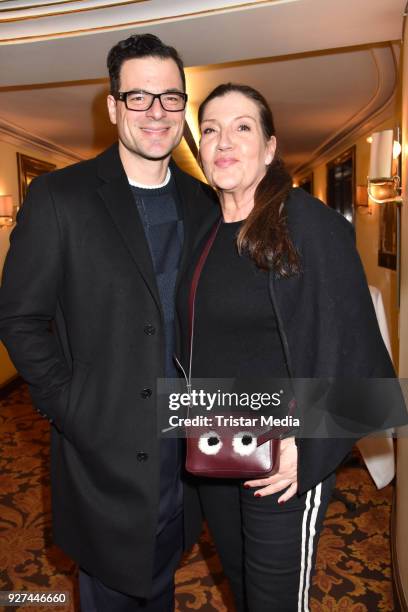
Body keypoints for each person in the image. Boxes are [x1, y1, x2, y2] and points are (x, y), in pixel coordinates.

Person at [0, 34, 217, 611]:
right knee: (112, 591)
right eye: (139, 96)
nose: (156, 112)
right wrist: (71, 405)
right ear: (113, 105)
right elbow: (20, 317)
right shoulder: (58, 197)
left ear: (183, 107)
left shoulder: (205, 204)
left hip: (187, 449)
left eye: (170, 98)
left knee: (163, 580)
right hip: (103, 452)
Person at [176, 83, 406, 612]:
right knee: (239, 581)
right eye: (210, 130)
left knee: (275, 599)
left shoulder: (308, 224)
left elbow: (358, 349)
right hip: (217, 441)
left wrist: (311, 444)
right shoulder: (205, 231)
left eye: (242, 128)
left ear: (271, 147)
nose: (223, 141)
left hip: (283, 454)